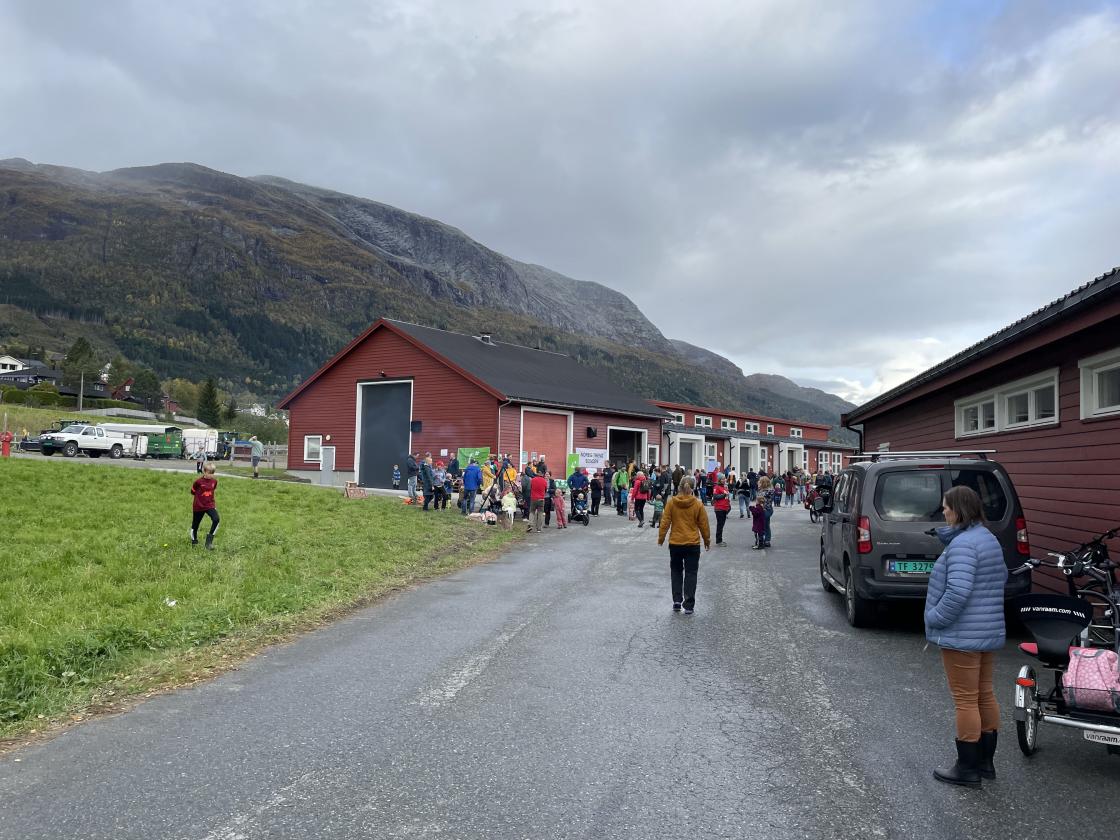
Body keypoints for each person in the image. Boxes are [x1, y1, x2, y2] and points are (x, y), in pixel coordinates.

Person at [926, 486, 1008, 788]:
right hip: (986, 630)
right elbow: (1002, 577)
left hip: (962, 634)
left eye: (946, 507)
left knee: (964, 700)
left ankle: (967, 768)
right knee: (984, 693)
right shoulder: (987, 538)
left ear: (959, 509)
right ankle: (986, 763)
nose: (943, 512)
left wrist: (935, 618)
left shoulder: (962, 545)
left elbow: (958, 592)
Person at [657, 476, 710, 614]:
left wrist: (661, 538)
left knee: (676, 572)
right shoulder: (698, 504)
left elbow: (665, 522)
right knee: (691, 573)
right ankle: (689, 605)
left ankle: (676, 601)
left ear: (679, 487)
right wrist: (707, 540)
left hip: (675, 543)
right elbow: (703, 524)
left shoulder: (671, 503)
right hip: (692, 543)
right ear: (693, 488)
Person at [190, 462, 220, 550]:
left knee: (216, 519)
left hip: (209, 505)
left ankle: (209, 542)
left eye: (212, 473)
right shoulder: (198, 482)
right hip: (198, 506)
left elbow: (212, 490)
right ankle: (194, 541)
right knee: (195, 525)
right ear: (204, 471)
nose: (210, 475)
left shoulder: (214, 481)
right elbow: (193, 491)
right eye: (209, 472)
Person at [711, 476, 731, 546]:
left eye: (724, 479)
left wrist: (729, 506)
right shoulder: (716, 487)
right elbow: (715, 496)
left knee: (721, 525)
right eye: (722, 479)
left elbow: (727, 497)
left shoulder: (725, 487)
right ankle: (719, 541)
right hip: (719, 508)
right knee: (720, 525)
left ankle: (720, 540)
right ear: (719, 480)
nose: (723, 480)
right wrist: (724, 495)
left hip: (725, 508)